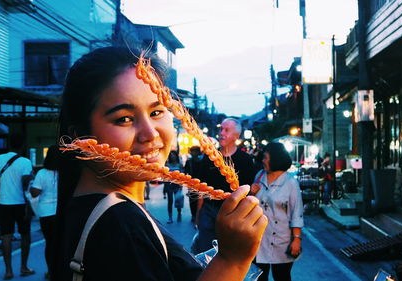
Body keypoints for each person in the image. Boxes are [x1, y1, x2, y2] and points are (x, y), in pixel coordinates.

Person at [53, 46, 268, 281]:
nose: (150, 134)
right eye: (124, 119)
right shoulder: (120, 226)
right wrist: (232, 260)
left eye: (156, 112)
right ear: (81, 136)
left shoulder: (105, 208)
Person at [195, 117, 258, 253]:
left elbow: (250, 191)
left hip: (233, 212)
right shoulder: (210, 157)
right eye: (221, 129)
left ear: (236, 136)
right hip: (209, 210)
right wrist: (199, 213)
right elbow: (201, 187)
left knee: (229, 251)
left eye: (226, 130)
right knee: (205, 250)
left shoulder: (245, 160)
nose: (222, 133)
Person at [250, 142, 304, 281]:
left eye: (266, 158)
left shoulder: (290, 182)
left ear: (275, 159)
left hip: (282, 240)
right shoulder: (260, 176)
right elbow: (253, 206)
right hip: (260, 239)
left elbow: (296, 213)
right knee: (259, 277)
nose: (263, 160)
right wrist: (252, 193)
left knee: (282, 277)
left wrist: (296, 239)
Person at [0, 133, 35, 280]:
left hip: (4, 203)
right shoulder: (25, 162)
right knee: (25, 235)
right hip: (21, 204)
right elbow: (26, 184)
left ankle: (8, 270)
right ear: (22, 146)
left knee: (6, 236)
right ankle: (24, 267)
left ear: (9, 144)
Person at [30, 145, 59, 279]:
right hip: (61, 212)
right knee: (61, 242)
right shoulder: (66, 173)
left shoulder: (42, 173)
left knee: (49, 243)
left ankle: (51, 271)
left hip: (46, 213)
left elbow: (35, 193)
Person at [164, 150, 184, 223]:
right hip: (169, 185)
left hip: (177, 185)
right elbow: (164, 176)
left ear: (176, 156)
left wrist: (181, 184)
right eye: (171, 155)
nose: (172, 156)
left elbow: (182, 175)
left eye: (174, 155)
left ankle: (179, 213)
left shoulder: (179, 165)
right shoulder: (167, 165)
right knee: (170, 201)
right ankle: (170, 217)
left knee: (178, 200)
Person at [184, 146, 203, 223]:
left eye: (195, 151)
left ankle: (198, 215)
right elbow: (186, 173)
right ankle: (193, 215)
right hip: (191, 184)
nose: (194, 153)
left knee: (200, 200)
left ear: (198, 152)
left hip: (201, 184)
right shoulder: (189, 162)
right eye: (192, 151)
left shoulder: (202, 161)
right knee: (192, 200)